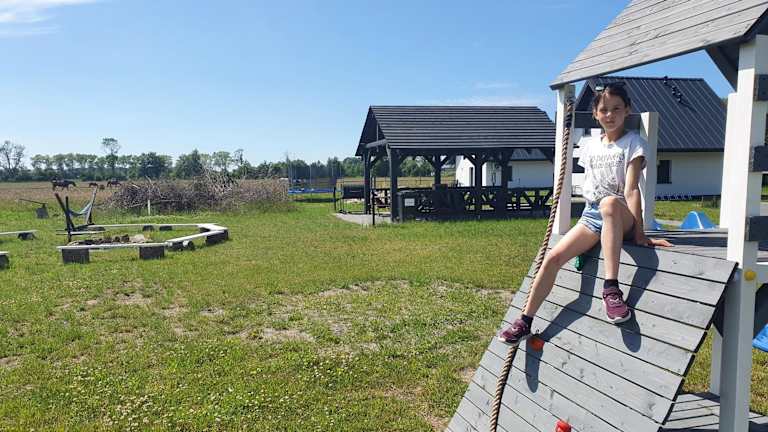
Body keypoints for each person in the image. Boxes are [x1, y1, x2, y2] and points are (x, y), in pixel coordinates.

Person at [499, 82, 672, 346]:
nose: (610, 115)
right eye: (604, 110)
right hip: (592, 215)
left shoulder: (634, 143)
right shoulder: (590, 145)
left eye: (616, 108)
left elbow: (631, 190)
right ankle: (525, 320)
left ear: (628, 110)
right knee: (553, 258)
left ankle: (611, 288)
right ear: (595, 113)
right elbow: (591, 186)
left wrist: (640, 233)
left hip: (620, 213)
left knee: (609, 204)